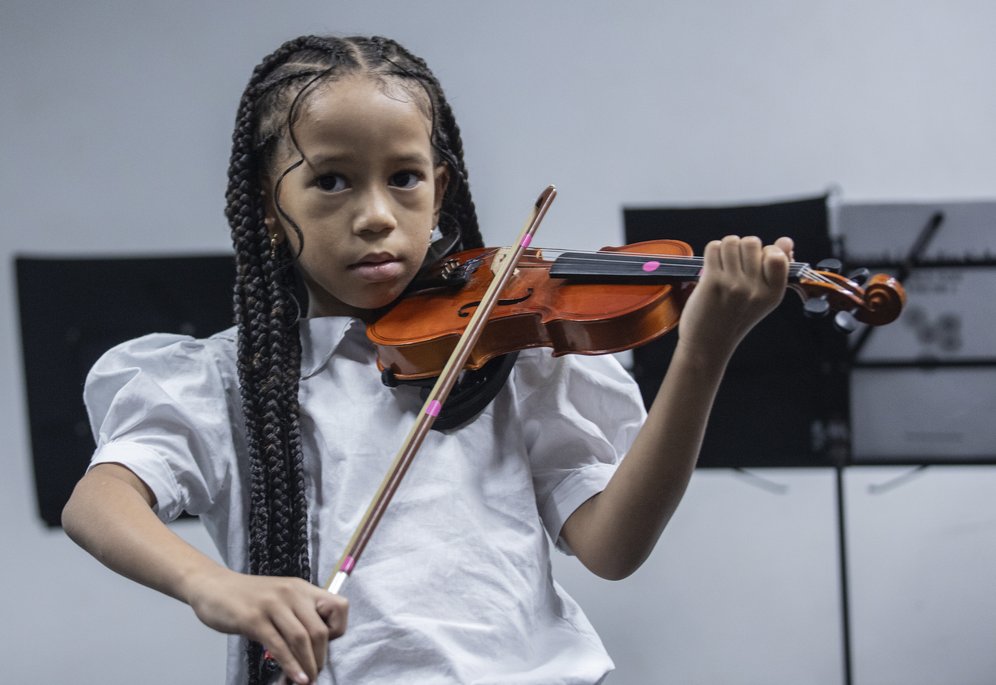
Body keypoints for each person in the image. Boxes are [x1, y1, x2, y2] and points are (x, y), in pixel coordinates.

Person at [61, 34, 794, 685]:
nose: (376, 213)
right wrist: (211, 585)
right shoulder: (228, 381)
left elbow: (613, 545)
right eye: (332, 180)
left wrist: (702, 352)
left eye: (404, 177)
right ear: (264, 205)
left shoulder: (509, 356)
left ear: (440, 191)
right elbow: (97, 503)